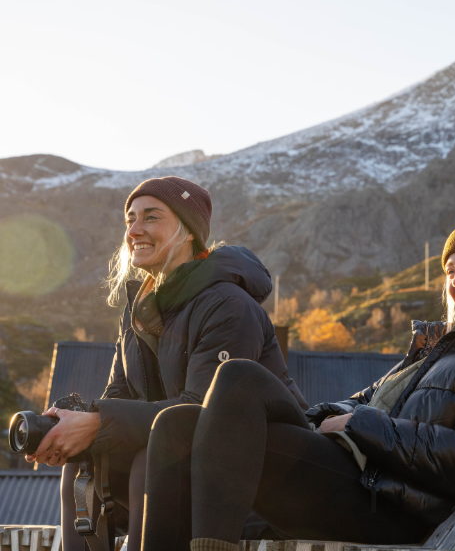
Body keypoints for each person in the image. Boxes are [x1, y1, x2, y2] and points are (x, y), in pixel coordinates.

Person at [142, 203, 455, 551]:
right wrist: (335, 417)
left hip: (393, 506)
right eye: (450, 270)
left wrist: (360, 425)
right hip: (357, 476)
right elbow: (363, 401)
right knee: (176, 426)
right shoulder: (441, 348)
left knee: (239, 377)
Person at [24, 176, 306, 551]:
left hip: (260, 477)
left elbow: (204, 414)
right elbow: (118, 396)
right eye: (130, 219)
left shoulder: (229, 305)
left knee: (152, 459)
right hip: (181, 466)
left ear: (189, 232)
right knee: (82, 463)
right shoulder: (138, 311)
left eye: (151, 217)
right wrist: (72, 428)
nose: (134, 230)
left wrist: (96, 424)